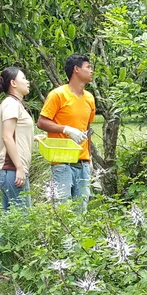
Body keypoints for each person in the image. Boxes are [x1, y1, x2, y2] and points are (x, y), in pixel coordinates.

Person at [37, 54, 95, 208]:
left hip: (83, 162)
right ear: (76, 69)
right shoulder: (58, 95)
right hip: (62, 162)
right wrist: (66, 129)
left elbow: (87, 129)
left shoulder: (89, 98)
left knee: (81, 209)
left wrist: (89, 159)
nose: (91, 71)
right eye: (88, 67)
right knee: (62, 209)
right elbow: (41, 122)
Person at [0, 67, 34, 211]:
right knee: (23, 218)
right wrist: (19, 168)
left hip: (11, 170)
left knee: (11, 222)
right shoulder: (11, 104)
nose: (27, 82)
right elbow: (7, 137)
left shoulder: (16, 104)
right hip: (11, 170)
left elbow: (15, 134)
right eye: (23, 78)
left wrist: (32, 138)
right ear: (13, 83)